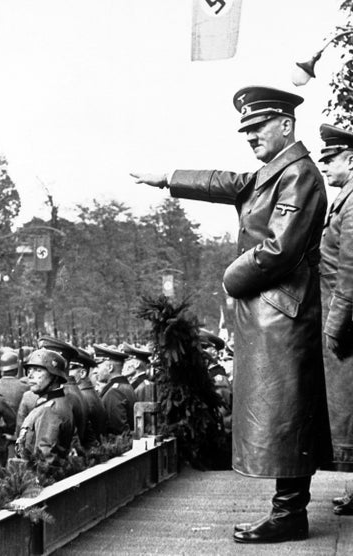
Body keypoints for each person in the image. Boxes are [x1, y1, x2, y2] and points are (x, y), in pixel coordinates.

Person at [131, 85, 331, 544]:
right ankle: (287, 512)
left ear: (286, 125)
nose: (250, 136)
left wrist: (230, 278)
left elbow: (280, 248)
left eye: (258, 127)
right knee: (283, 412)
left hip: (283, 314)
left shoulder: (299, 174)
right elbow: (228, 182)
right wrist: (167, 177)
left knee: (287, 414)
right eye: (246, 129)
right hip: (274, 314)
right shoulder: (276, 172)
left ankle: (289, 515)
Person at [316, 124, 353, 515]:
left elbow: (350, 272)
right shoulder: (344, 200)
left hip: (346, 324)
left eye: (331, 159)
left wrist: (335, 326)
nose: (325, 166)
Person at [15, 349, 74, 468]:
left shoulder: (50, 410)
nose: (30, 375)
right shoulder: (52, 402)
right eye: (29, 370)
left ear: (55, 377)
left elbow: (45, 461)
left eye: (38, 370)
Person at [94, 344, 135, 435]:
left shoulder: (114, 392)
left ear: (110, 368)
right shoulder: (125, 386)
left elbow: (118, 431)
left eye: (99, 366)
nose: (95, 371)